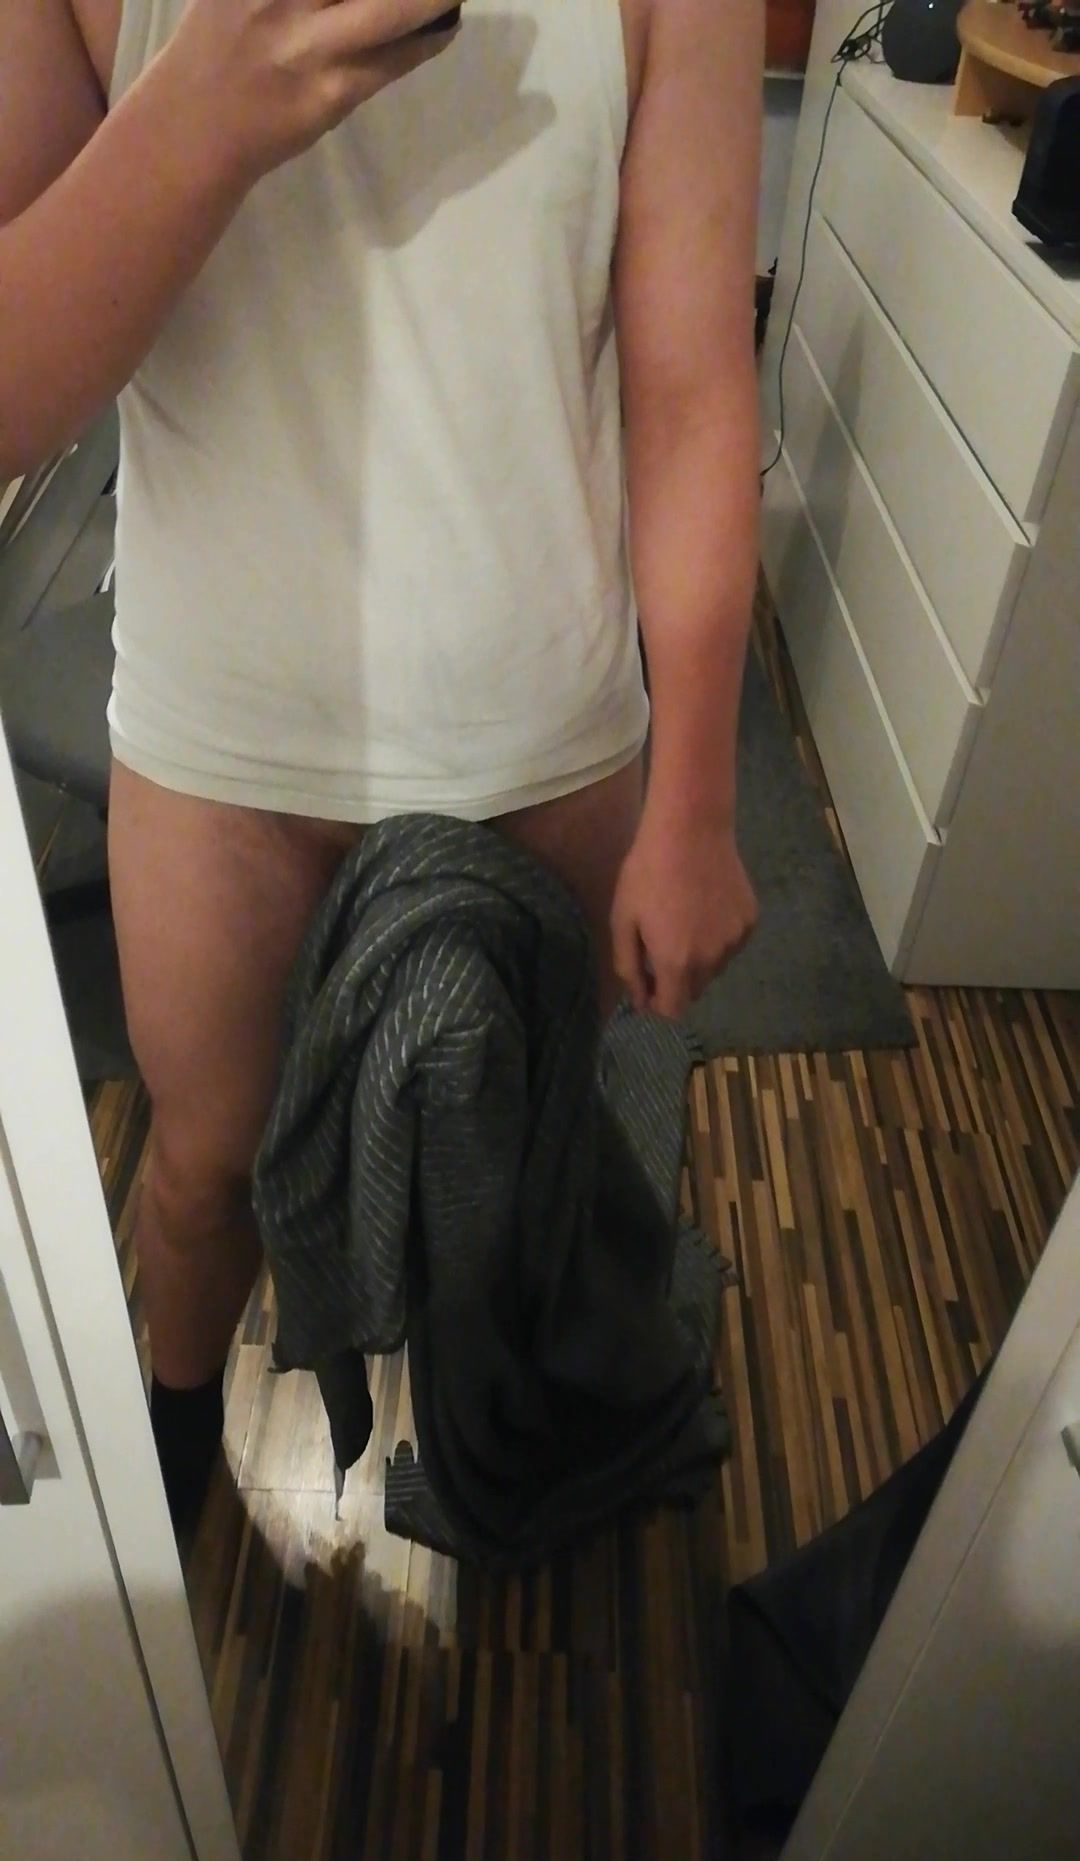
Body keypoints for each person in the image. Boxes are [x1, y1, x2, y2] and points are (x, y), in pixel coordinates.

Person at [0, 0, 762, 1529]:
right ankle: (173, 1450)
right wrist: (207, 105)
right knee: (201, 1171)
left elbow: (690, 389)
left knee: (508, 1165)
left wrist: (696, 799)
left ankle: (500, 1449)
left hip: (543, 733)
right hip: (221, 735)